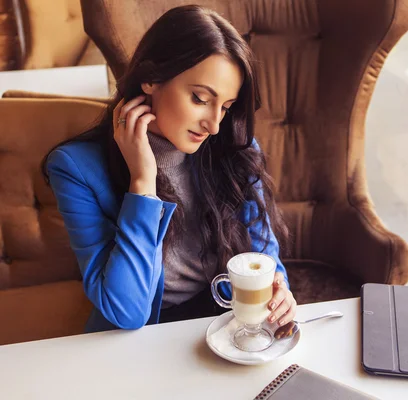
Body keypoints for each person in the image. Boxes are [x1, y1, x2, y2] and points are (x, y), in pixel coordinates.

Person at [42, 5, 297, 333]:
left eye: (226, 107)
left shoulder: (235, 150)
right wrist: (143, 183)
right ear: (151, 78)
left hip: (229, 327)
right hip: (144, 338)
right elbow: (127, 312)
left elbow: (265, 257)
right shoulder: (76, 169)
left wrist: (280, 290)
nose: (214, 125)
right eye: (200, 99)